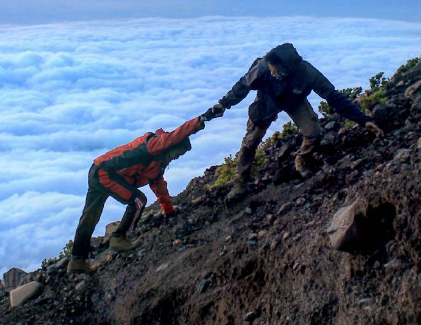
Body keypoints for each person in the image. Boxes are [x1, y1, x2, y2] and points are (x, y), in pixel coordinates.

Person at [208, 43, 384, 200]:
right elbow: (242, 86)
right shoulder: (262, 67)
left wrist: (363, 120)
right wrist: (223, 105)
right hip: (267, 101)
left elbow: (333, 96)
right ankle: (240, 182)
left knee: (313, 133)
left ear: (288, 68)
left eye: (275, 68)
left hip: (295, 100)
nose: (271, 70)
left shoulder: (307, 73)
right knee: (251, 141)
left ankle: (303, 158)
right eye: (270, 67)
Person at [67, 109, 218, 274]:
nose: (177, 156)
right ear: (172, 147)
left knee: (90, 216)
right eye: (178, 152)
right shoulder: (156, 145)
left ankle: (77, 261)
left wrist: (169, 211)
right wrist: (202, 120)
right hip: (105, 172)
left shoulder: (158, 162)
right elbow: (177, 134)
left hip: (97, 170)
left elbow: (158, 185)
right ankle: (119, 238)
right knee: (138, 201)